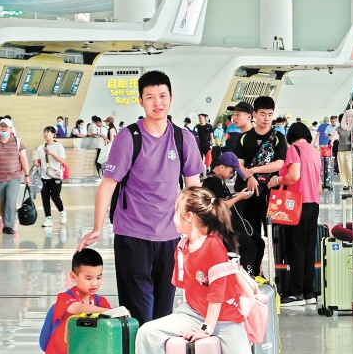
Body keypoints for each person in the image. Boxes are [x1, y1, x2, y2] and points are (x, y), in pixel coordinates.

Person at [121, 187, 323, 354]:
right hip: (192, 311)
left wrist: (207, 329)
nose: (173, 216)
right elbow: (186, 287)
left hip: (226, 318)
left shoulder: (214, 246)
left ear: (190, 216)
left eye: (177, 212)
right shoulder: (182, 246)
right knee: (148, 332)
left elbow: (217, 294)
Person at [77, 70, 204, 325]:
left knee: (164, 312)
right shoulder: (129, 138)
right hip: (132, 235)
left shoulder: (183, 139)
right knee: (138, 312)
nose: (157, 102)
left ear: (171, 98)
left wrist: (198, 231)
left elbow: (193, 188)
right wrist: (97, 226)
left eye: (162, 96)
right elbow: (108, 185)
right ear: (141, 101)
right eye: (150, 97)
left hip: (170, 236)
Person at [23, 248, 113, 354]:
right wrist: (109, 311)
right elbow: (78, 309)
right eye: (88, 278)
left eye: (99, 277)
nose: (94, 283)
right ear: (73, 277)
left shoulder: (100, 301)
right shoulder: (65, 298)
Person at [268, 122, 322, 306]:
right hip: (313, 203)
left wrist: (277, 179)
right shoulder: (314, 152)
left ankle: (295, 292)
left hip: (296, 204)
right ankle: (309, 292)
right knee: (308, 248)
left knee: (295, 248)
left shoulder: (294, 149)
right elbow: (318, 184)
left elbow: (294, 176)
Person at [234, 96, 287, 262]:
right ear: (254, 114)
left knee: (275, 232)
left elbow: (279, 163)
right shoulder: (243, 138)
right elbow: (239, 164)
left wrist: (254, 170)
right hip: (248, 193)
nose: (267, 118)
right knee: (251, 233)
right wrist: (249, 177)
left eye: (270, 114)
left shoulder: (278, 137)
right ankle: (253, 270)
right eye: (263, 114)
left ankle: (277, 270)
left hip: (271, 193)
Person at [201, 151, 257, 275]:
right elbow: (220, 205)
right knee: (249, 248)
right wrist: (239, 197)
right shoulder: (212, 182)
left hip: (229, 222)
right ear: (222, 167)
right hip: (224, 224)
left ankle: (254, 275)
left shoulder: (218, 181)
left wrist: (236, 195)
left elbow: (223, 199)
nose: (231, 175)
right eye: (231, 172)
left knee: (257, 243)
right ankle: (247, 276)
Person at [34, 126, 68, 228]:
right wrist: (36, 162)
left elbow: (62, 161)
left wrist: (52, 154)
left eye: (48, 132)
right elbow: (36, 160)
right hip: (44, 176)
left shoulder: (58, 147)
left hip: (56, 176)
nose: (45, 134)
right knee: (45, 198)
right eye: (44, 132)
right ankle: (48, 219)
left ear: (53, 134)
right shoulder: (40, 147)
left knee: (55, 196)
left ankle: (62, 212)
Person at [334, 110, 353, 188]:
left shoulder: (350, 127)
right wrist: (330, 144)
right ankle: (345, 183)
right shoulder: (338, 128)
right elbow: (334, 136)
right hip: (341, 149)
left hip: (349, 149)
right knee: (342, 166)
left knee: (349, 166)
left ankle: (351, 182)